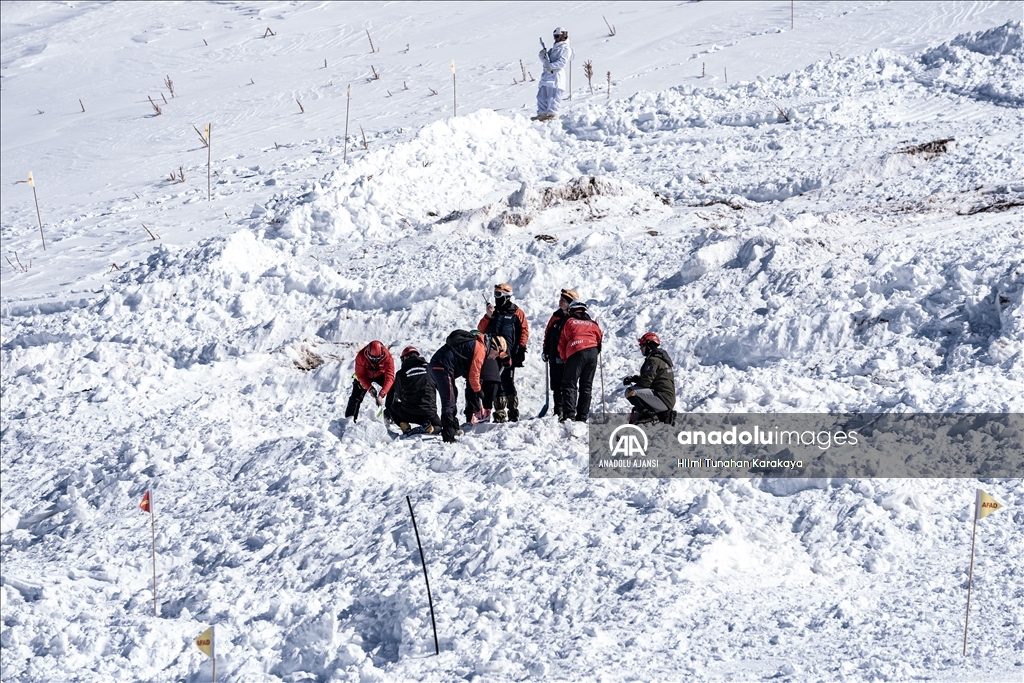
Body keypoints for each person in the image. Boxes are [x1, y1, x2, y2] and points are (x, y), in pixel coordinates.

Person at [429, 330, 508, 443]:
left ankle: (454, 427)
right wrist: (478, 390)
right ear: (494, 347)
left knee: (452, 394)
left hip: (437, 365)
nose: (494, 358)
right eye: (496, 354)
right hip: (442, 367)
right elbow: (474, 375)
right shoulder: (480, 348)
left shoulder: (479, 345)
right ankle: (448, 435)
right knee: (449, 399)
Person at [477, 283, 529, 422]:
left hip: (509, 354)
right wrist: (488, 316)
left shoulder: (517, 312)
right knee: (496, 382)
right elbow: (480, 330)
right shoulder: (493, 313)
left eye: (498, 295)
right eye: (495, 294)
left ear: (507, 297)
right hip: (492, 354)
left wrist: (522, 349)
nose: (496, 298)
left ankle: (513, 411)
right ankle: (499, 414)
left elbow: (524, 331)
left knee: (507, 381)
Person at [557, 300, 603, 422]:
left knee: (569, 384)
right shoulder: (593, 324)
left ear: (572, 310)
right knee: (586, 386)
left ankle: (569, 416)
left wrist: (565, 359)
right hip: (592, 352)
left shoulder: (569, 322)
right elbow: (599, 339)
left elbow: (561, 342)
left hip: (576, 350)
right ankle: (582, 416)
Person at [623, 332, 676, 424]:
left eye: (642, 345)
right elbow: (651, 378)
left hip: (663, 398)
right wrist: (634, 379)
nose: (640, 348)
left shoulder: (653, 360)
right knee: (638, 395)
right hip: (666, 399)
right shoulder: (660, 359)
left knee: (630, 392)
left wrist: (635, 381)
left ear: (649, 346)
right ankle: (661, 414)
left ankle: (650, 415)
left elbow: (646, 383)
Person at [385, 346, 441, 434]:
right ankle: (426, 425)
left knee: (393, 407)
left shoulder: (400, 374)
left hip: (409, 413)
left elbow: (399, 394)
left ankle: (405, 426)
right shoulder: (429, 368)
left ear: (404, 358)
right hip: (429, 412)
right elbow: (439, 386)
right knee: (438, 426)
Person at [542, 288, 578, 418]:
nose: (560, 301)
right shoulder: (555, 317)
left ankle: (569, 411)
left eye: (563, 300)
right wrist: (546, 350)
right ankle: (558, 411)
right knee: (556, 386)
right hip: (554, 357)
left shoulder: (574, 318)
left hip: (569, 358)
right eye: (560, 299)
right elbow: (548, 334)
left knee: (568, 385)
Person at [344, 340, 395, 422]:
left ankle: (389, 416)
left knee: (393, 388)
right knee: (355, 396)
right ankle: (349, 420)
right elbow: (360, 375)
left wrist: (381, 394)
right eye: (372, 358)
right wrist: (370, 388)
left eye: (377, 359)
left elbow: (390, 377)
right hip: (365, 376)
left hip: (380, 374)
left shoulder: (388, 357)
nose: (375, 361)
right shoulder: (361, 356)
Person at [533, 27, 573, 122]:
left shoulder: (566, 49)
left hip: (556, 76)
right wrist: (542, 56)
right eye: (554, 36)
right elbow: (546, 62)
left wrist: (551, 66)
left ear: (563, 36)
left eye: (557, 36)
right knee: (541, 96)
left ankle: (552, 114)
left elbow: (562, 63)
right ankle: (542, 114)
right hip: (547, 75)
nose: (556, 38)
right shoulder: (553, 49)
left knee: (553, 97)